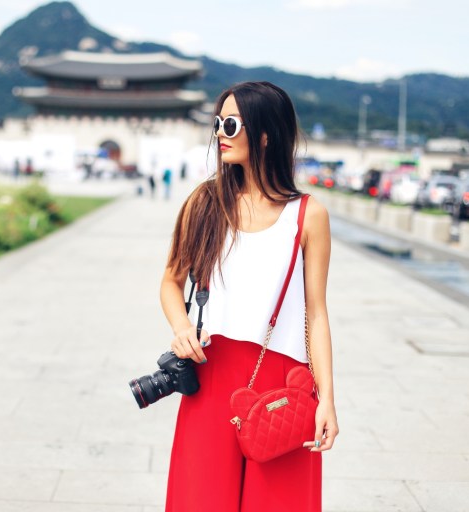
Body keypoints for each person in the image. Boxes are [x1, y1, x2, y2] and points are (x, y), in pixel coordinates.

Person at [159, 81, 338, 511]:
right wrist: (182, 327)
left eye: (232, 123)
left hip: (283, 385)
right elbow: (170, 280)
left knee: (278, 503)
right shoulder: (204, 203)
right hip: (212, 376)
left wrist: (327, 399)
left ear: (265, 133)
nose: (220, 132)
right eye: (217, 122)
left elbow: (316, 312)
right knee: (200, 500)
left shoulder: (307, 215)